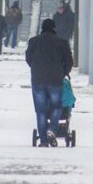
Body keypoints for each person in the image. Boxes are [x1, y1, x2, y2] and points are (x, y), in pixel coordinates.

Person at [25, 18, 74, 147]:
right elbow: (69, 60)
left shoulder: (34, 41)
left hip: (38, 79)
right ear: (54, 28)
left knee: (40, 110)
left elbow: (28, 58)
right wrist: (64, 72)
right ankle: (52, 129)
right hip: (55, 79)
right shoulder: (61, 42)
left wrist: (35, 68)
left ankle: (43, 140)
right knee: (56, 106)